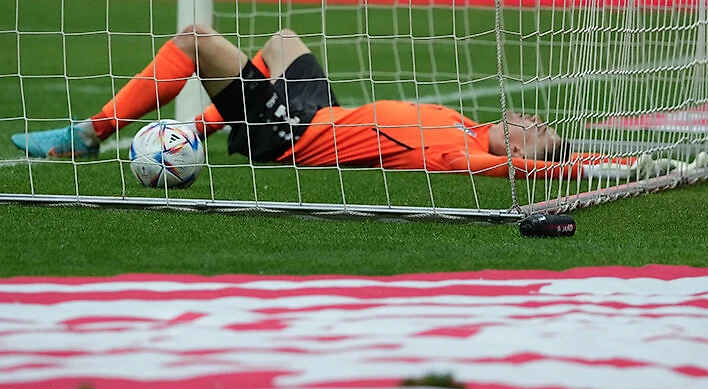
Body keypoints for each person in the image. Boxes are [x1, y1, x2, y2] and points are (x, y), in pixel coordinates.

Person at [12, 25, 578, 179]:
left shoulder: (464, 155)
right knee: (283, 41)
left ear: (522, 155)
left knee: (193, 41)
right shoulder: (465, 123)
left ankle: (88, 135)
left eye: (536, 134)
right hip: (322, 111)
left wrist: (604, 167)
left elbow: (523, 171)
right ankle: (206, 127)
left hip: (293, 136)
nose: (532, 121)